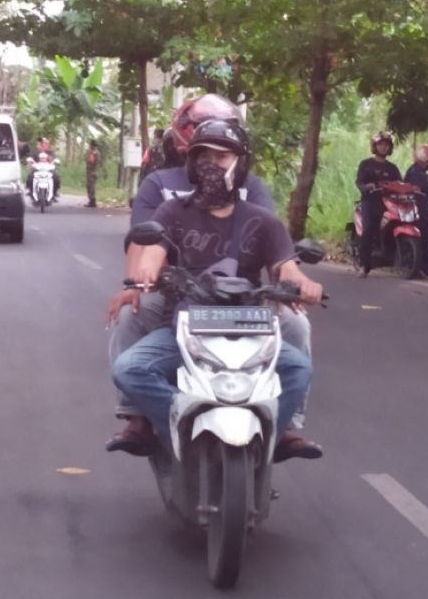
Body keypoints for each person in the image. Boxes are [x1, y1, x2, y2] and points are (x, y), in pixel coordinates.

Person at [106, 94, 321, 460]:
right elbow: (153, 248)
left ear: (239, 164)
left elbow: (286, 266)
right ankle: (180, 421)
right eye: (203, 157)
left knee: (299, 368)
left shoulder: (261, 218)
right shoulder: (171, 209)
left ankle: (272, 436)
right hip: (186, 324)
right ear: (190, 163)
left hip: (250, 324)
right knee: (129, 369)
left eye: (221, 157)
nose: (211, 165)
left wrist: (304, 284)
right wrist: (145, 271)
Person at [355, 132, 403, 277]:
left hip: (389, 202)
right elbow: (359, 182)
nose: (384, 147)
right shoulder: (366, 164)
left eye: (387, 145)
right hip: (370, 201)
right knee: (368, 229)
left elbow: (400, 184)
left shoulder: (392, 168)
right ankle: (364, 266)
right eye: (381, 144)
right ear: (375, 146)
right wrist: (367, 187)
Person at [404, 144, 428, 279]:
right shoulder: (416, 173)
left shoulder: (416, 172)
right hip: (420, 210)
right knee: (427, 239)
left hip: (417, 210)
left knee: (425, 238)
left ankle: (424, 269)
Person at [85, 140, 100, 208]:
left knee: (92, 186)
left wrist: (96, 171)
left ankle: (93, 201)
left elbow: (97, 163)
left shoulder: (96, 153)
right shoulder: (91, 152)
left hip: (93, 172)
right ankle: (90, 200)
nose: (90, 146)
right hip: (89, 172)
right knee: (89, 186)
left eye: (91, 145)